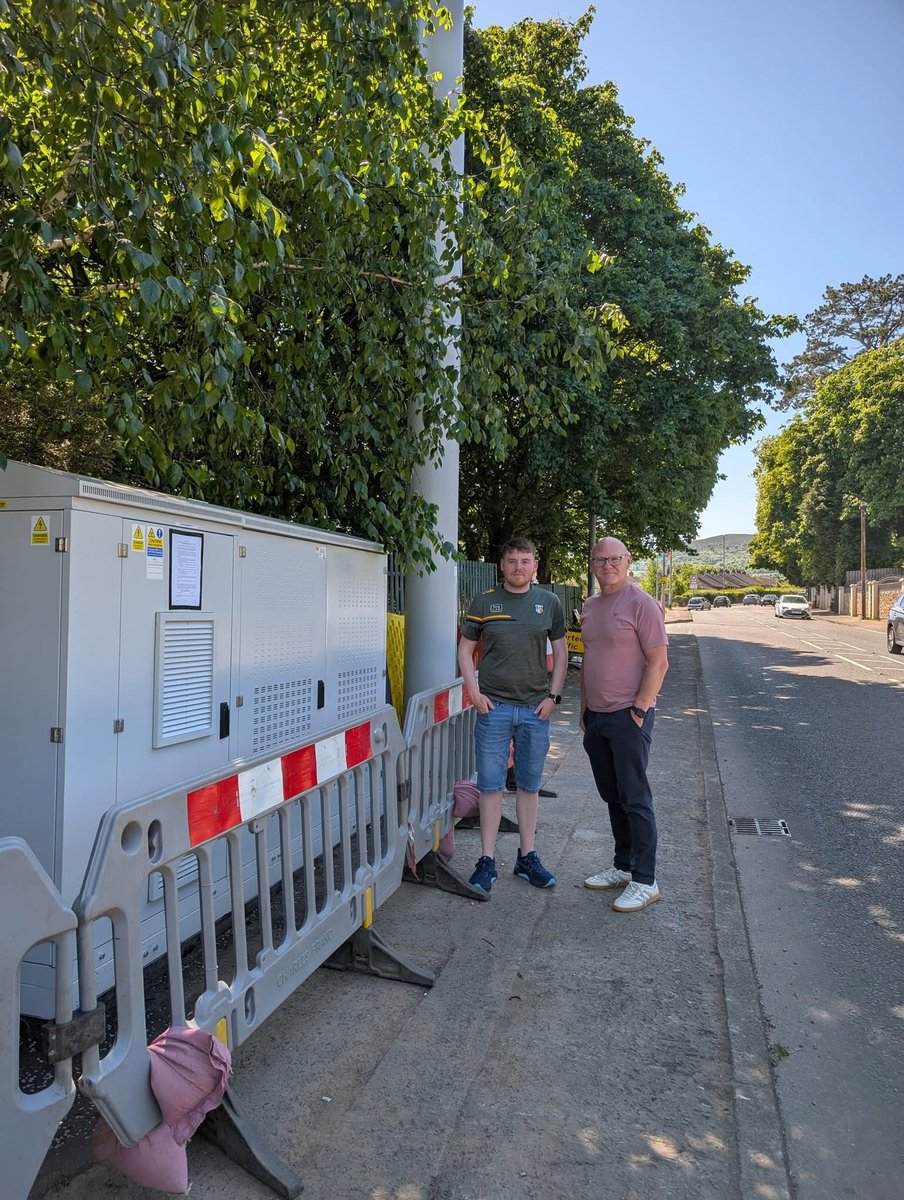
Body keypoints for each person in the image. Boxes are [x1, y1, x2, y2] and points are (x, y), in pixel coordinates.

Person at [458, 538, 567, 894]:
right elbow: (465, 649)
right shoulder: (484, 602)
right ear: (501, 565)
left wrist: (554, 696)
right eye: (512, 561)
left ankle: (527, 856)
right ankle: (486, 860)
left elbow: (561, 653)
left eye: (525, 560)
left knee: (528, 786)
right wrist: (473, 692)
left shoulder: (549, 603)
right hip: (494, 708)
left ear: (534, 565)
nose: (518, 567)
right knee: (490, 786)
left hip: (535, 709)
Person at [580, 537, 669, 912]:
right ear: (592, 564)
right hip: (596, 717)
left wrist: (640, 709)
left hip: (628, 716)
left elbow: (658, 662)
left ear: (628, 561)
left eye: (614, 559)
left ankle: (645, 880)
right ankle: (623, 865)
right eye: (600, 559)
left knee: (635, 797)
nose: (607, 565)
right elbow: (589, 658)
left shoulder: (642, 604)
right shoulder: (590, 606)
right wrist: (584, 709)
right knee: (613, 795)